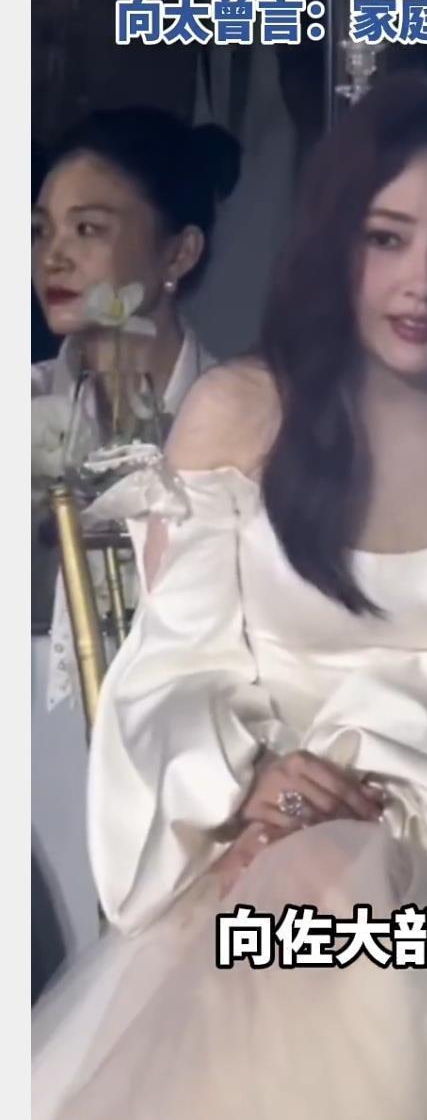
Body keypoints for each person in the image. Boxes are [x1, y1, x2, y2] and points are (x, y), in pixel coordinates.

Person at [32, 74, 427, 1120]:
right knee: (322, 905)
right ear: (335, 240)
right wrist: (250, 782)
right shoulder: (241, 413)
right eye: (387, 239)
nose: (421, 285)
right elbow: (173, 669)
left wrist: (401, 795)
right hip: (269, 840)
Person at [31, 108, 240, 975]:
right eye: (40, 230)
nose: (53, 257)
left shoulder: (242, 420)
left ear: (177, 253)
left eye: (88, 230)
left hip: (193, 789)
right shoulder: (27, 405)